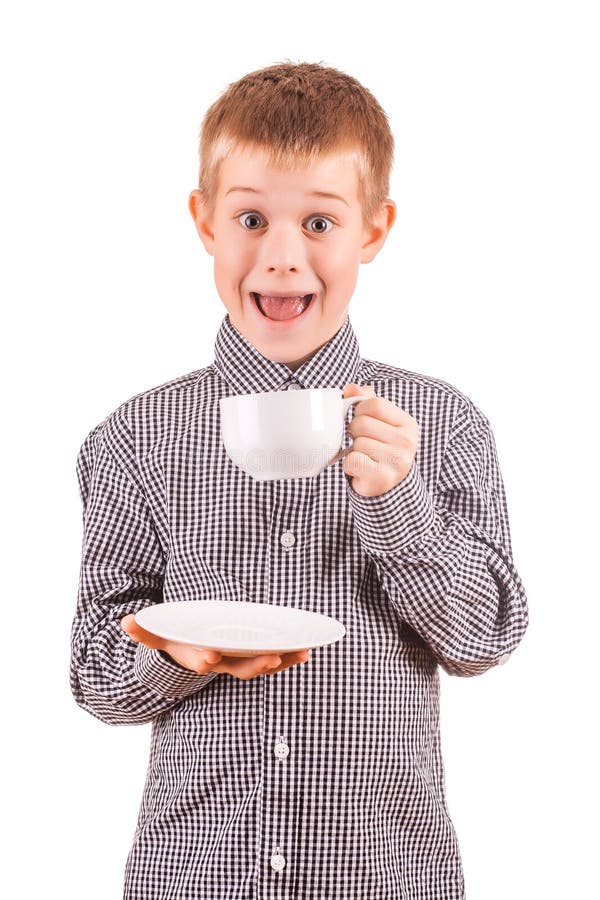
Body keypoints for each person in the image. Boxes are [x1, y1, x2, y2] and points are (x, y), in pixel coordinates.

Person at [71, 61, 528, 900]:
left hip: (388, 878)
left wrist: (402, 505)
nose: (282, 259)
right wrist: (176, 654)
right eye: (251, 218)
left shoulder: (441, 424)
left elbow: (484, 640)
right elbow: (98, 678)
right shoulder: (133, 438)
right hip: (194, 878)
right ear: (205, 222)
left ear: (374, 232)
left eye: (319, 221)